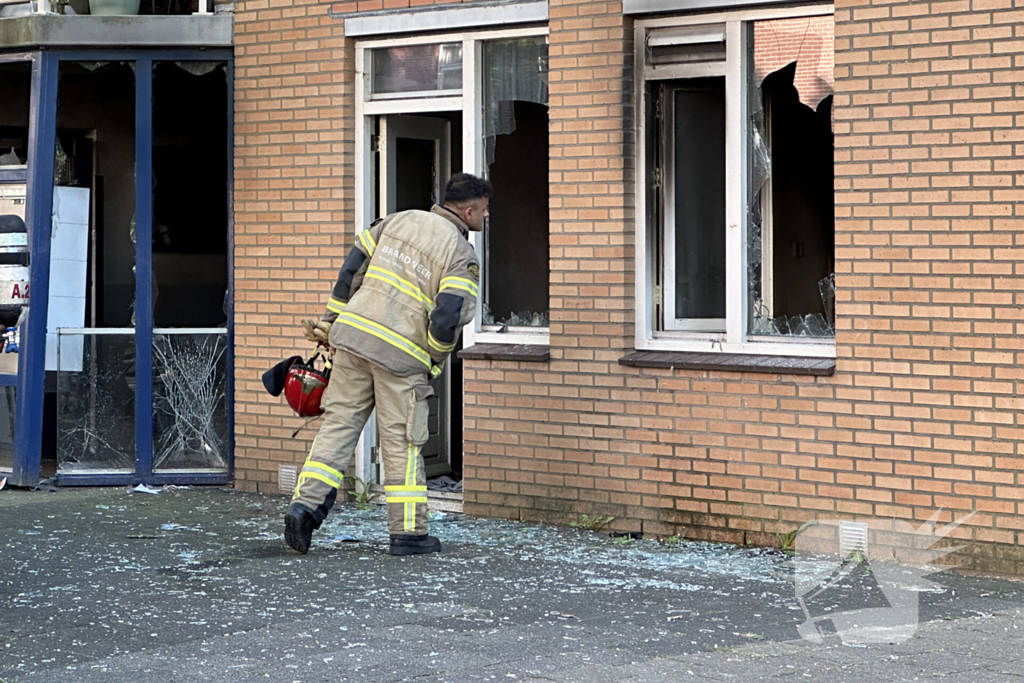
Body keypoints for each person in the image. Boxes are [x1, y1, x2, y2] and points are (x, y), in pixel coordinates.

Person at [285, 173, 490, 556]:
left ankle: (304, 508)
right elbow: (448, 315)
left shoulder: (395, 220)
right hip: (400, 359)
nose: (487, 215)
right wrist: (433, 358)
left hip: (353, 341)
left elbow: (351, 271)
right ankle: (409, 535)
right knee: (403, 443)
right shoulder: (461, 253)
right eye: (484, 209)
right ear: (469, 210)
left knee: (337, 427)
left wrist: (330, 324)